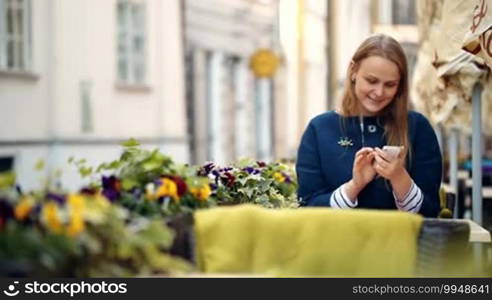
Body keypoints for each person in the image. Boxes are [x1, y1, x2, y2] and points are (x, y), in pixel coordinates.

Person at [296, 34, 442, 218]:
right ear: (353, 71)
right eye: (372, 81)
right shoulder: (319, 129)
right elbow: (308, 208)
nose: (379, 92)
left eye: (390, 85)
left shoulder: (418, 128)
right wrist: (355, 186)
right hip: (335, 246)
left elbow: (430, 212)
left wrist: (399, 177)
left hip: (400, 245)